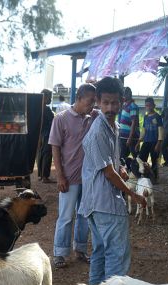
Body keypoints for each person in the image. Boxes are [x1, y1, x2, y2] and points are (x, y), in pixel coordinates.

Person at [79, 77, 147, 285]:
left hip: (98, 202)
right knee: (117, 254)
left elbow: (110, 166)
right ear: (97, 101)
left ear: (122, 103)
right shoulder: (99, 130)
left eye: (114, 103)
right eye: (105, 103)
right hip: (104, 202)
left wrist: (121, 168)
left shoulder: (112, 128)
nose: (110, 108)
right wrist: (133, 194)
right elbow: (108, 173)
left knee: (100, 252)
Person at [50, 83, 97, 269]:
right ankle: (60, 253)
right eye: (89, 101)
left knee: (84, 215)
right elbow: (55, 147)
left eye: (94, 101)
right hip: (68, 178)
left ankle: (81, 250)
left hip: (87, 178)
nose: (92, 105)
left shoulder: (92, 118)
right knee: (66, 216)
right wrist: (60, 176)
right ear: (78, 98)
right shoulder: (61, 119)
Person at [138, 97, 163, 179]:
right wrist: (139, 141)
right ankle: (144, 175)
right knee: (141, 158)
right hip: (146, 141)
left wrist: (159, 143)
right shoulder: (146, 117)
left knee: (154, 160)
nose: (148, 107)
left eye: (149, 105)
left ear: (153, 106)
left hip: (155, 142)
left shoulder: (158, 116)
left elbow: (160, 130)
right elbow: (144, 130)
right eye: (146, 105)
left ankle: (155, 177)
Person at [37, 89, 55, 183]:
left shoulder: (37, 107)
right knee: (47, 154)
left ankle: (40, 175)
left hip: (40, 135)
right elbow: (52, 122)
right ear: (45, 97)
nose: (51, 99)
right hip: (47, 134)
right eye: (50, 97)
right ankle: (45, 177)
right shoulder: (46, 109)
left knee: (40, 154)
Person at [118, 87, 140, 162]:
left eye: (124, 94)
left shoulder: (133, 106)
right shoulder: (124, 105)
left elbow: (134, 123)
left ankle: (140, 172)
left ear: (129, 95)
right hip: (123, 137)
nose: (122, 96)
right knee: (122, 157)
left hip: (131, 138)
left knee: (136, 157)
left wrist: (130, 138)